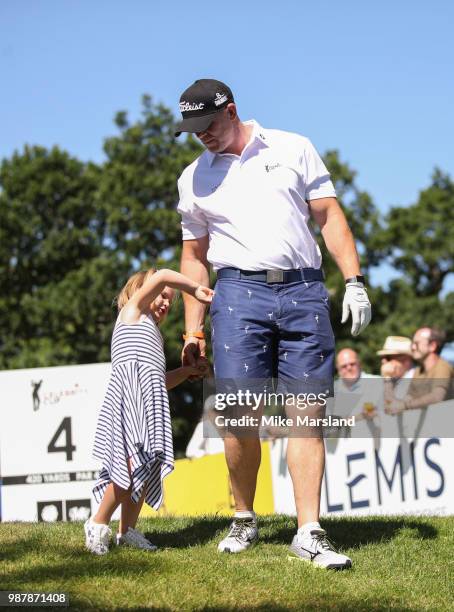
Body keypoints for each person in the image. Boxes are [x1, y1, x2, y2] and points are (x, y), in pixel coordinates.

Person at [175, 78, 371, 570]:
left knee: (307, 413)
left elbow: (328, 217)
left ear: (232, 110)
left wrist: (354, 281)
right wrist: (192, 331)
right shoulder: (193, 177)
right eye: (192, 129)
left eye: (208, 125)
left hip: (304, 289)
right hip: (237, 294)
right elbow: (194, 259)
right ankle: (244, 516)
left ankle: (309, 530)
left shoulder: (292, 147)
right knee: (242, 415)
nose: (202, 135)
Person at [84, 268, 213, 555]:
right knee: (129, 467)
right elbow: (165, 274)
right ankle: (97, 522)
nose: (166, 302)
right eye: (162, 295)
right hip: (129, 402)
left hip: (148, 404)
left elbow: (160, 381)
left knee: (146, 465)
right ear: (140, 290)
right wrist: (195, 289)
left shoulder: (153, 332)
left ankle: (127, 530)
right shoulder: (132, 313)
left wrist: (188, 371)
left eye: (170, 300)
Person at [385, 327, 453, 415]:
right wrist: (387, 379)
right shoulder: (418, 371)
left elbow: (437, 397)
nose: (413, 347)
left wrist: (404, 405)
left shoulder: (442, 367)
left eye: (416, 343)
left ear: (432, 346)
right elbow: (408, 398)